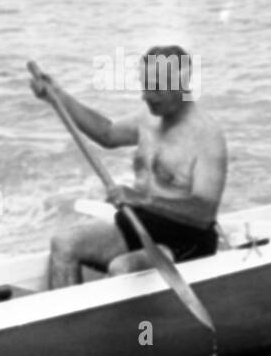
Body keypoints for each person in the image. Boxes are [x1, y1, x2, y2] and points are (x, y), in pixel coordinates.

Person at [30, 45, 228, 288]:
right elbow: (107, 133)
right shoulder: (148, 118)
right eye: (144, 86)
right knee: (64, 244)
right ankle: (66, 323)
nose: (146, 96)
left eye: (155, 88)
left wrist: (140, 199)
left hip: (186, 239)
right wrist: (57, 96)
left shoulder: (207, 135)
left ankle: (125, 325)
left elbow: (203, 212)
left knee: (121, 267)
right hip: (141, 224)